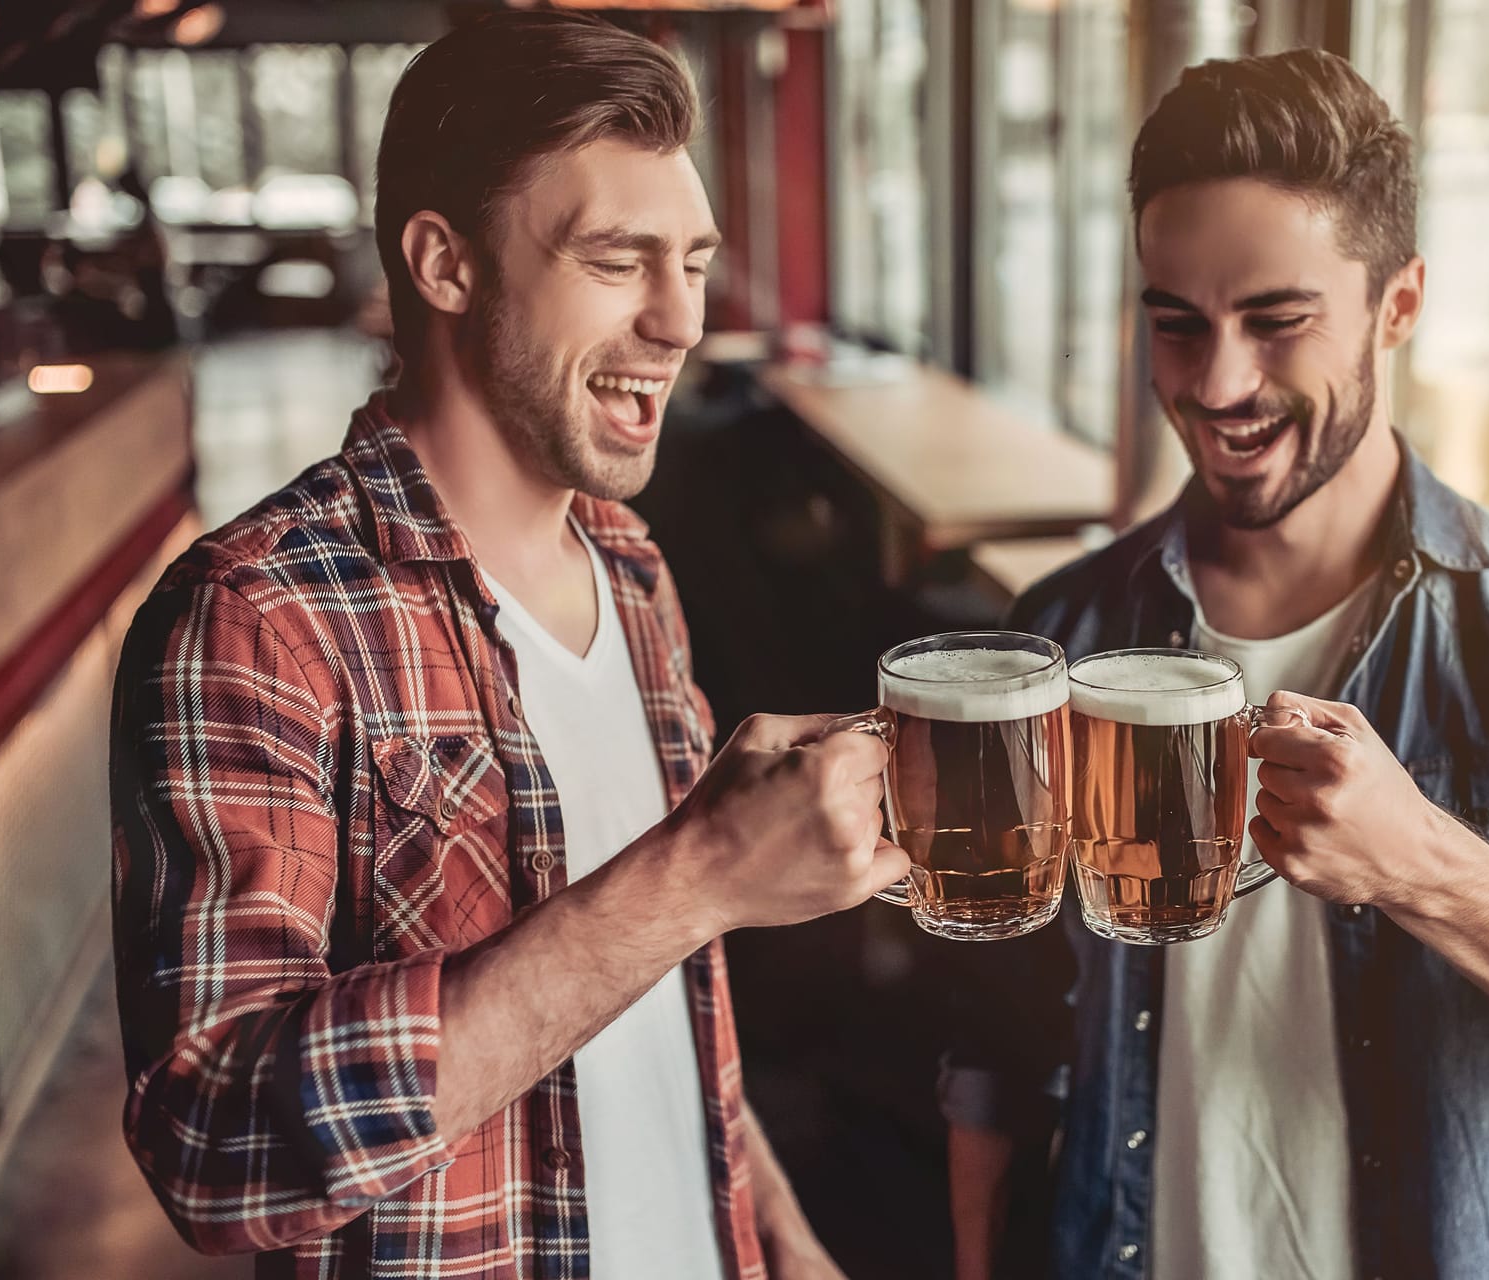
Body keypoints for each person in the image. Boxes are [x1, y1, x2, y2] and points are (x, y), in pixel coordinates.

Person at [943, 50, 1489, 1280]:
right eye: (1176, 324)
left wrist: (1426, 865)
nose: (1218, 382)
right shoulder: (1067, 624)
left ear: (1399, 306)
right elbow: (998, 1043)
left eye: (1278, 321)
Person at [109, 14, 902, 1279]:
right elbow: (216, 1140)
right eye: (616, 259)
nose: (682, 316)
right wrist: (694, 872)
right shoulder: (258, 616)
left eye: (693, 259)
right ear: (446, 263)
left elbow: (661, 985)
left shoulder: (633, 567)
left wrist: (780, 1235)